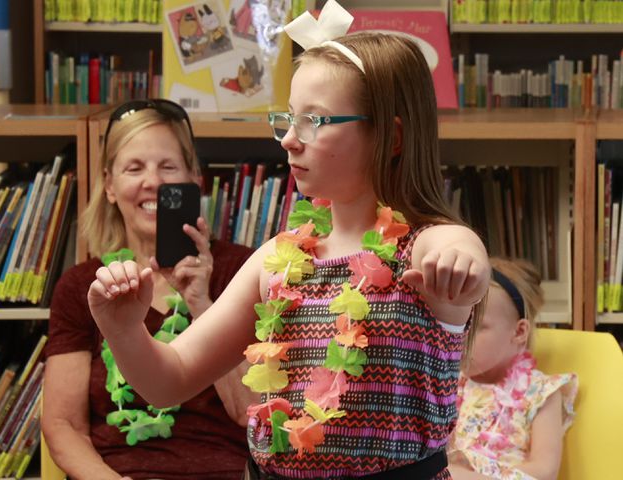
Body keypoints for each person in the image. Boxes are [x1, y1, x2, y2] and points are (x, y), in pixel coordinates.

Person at [87, 1, 491, 478]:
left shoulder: (425, 248)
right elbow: (169, 379)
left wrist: (462, 269)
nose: (288, 140)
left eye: (314, 121)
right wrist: (124, 330)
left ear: (392, 137)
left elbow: (463, 251)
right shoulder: (276, 259)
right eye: (288, 117)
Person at [42, 98, 256, 480]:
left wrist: (202, 303)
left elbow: (251, 412)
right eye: (134, 168)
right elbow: (63, 426)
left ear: (195, 179)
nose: (152, 182)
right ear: (109, 185)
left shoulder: (242, 270)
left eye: (168, 167)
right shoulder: (84, 287)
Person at [448, 258, 577, 480]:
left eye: (475, 326)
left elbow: (546, 471)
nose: (460, 338)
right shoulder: (450, 384)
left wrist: (472, 473)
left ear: (518, 332)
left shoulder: (541, 392)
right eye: (458, 325)